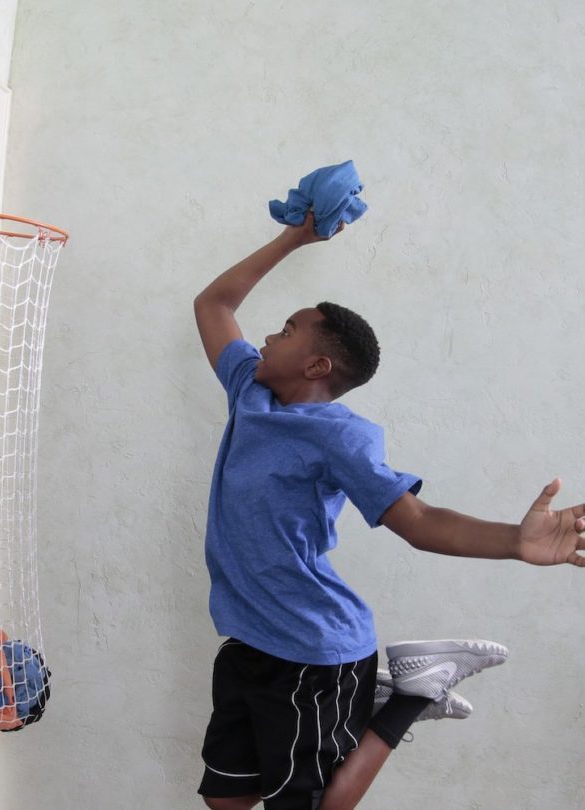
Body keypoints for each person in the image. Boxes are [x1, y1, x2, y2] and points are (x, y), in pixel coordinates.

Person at [192, 212, 585, 809]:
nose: (268, 336)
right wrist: (296, 237)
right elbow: (213, 303)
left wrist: (516, 541)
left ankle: (410, 697)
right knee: (226, 800)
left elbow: (419, 522)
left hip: (310, 651)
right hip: (248, 637)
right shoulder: (250, 389)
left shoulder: (340, 435)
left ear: (317, 366)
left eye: (288, 329)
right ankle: (369, 700)